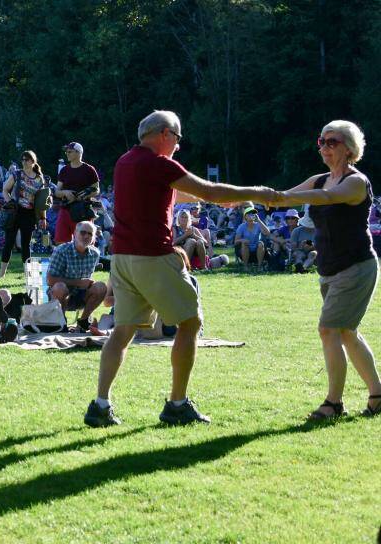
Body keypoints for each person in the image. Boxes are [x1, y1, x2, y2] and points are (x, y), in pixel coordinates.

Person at [86, 110, 278, 428]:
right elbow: (208, 191)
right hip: (153, 257)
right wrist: (254, 192)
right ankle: (177, 404)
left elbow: (174, 191)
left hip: (123, 259)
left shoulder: (125, 162)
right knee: (191, 322)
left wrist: (217, 198)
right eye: (177, 138)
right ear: (164, 134)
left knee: (123, 331)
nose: (178, 145)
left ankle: (100, 404)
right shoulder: (161, 164)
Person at [271, 120, 381, 419]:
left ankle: (333, 404)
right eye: (322, 141)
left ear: (349, 148)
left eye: (331, 142)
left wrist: (288, 197)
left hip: (357, 267)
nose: (324, 147)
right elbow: (282, 196)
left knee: (329, 329)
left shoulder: (356, 182)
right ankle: (378, 394)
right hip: (330, 269)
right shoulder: (318, 179)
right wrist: (243, 196)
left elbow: (328, 198)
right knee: (347, 333)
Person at [47, 220, 107, 332]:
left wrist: (87, 283)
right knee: (60, 287)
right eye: (83, 232)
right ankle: (61, 322)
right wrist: (79, 282)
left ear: (93, 238)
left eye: (90, 234)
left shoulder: (95, 254)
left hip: (81, 295)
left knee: (101, 287)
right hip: (60, 294)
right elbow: (50, 280)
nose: (86, 236)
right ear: (75, 233)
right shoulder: (61, 250)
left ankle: (83, 322)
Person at [0, 150, 48, 278]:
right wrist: (10, 202)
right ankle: (2, 273)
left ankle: (28, 274)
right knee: (9, 242)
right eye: (23, 160)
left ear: (33, 161)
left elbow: (41, 201)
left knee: (26, 244)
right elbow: (5, 189)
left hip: (30, 214)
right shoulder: (17, 174)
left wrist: (43, 218)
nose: (24, 162)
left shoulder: (39, 178)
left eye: (27, 159)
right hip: (15, 212)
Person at [55, 142, 101, 245]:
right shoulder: (64, 170)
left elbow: (97, 189)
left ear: (78, 152)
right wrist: (65, 192)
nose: (67, 153)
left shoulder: (89, 169)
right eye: (66, 151)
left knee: (85, 243)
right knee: (61, 242)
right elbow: (57, 192)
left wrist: (83, 196)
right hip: (65, 209)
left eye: (70, 151)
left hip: (83, 211)